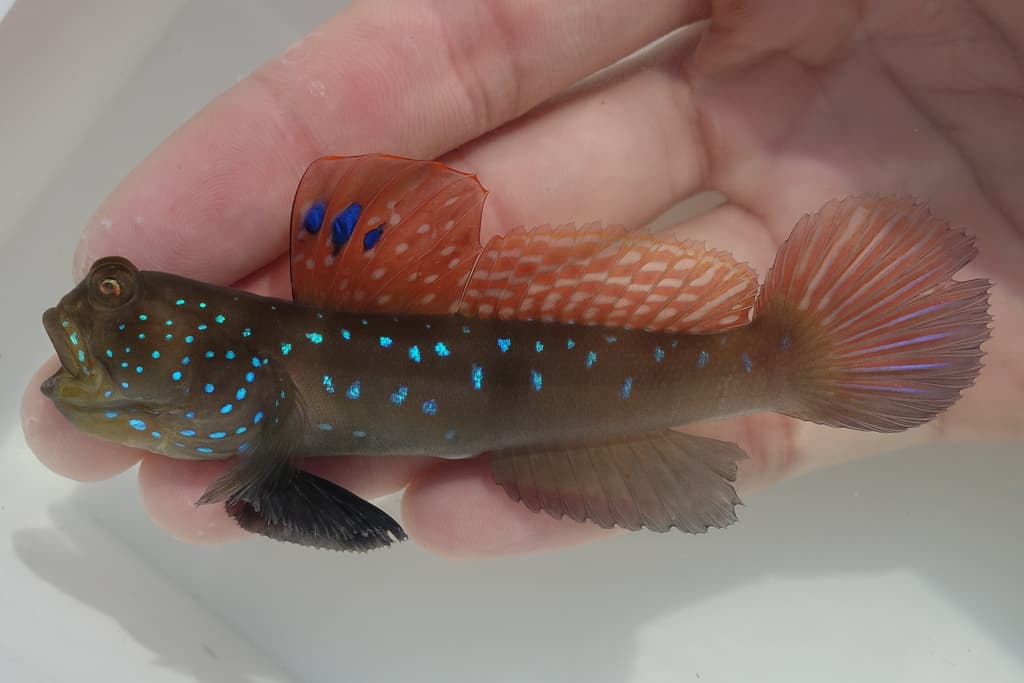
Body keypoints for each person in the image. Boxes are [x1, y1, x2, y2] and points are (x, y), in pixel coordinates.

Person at [21, 0, 1023, 557]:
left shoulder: (263, 396)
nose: (88, 338)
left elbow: (325, 515)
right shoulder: (261, 393)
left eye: (121, 303)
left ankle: (780, 359)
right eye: (115, 317)